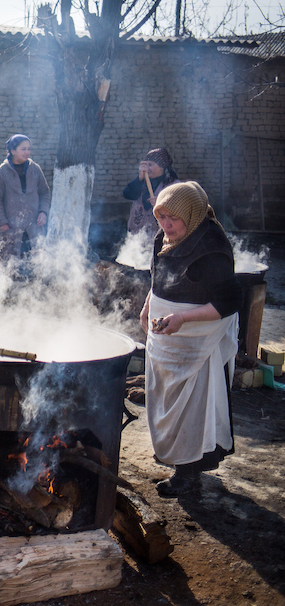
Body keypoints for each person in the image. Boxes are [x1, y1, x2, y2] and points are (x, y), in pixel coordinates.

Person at [139, 181, 242, 497]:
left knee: (193, 406)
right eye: (161, 217)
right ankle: (179, 461)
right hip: (165, 333)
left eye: (173, 218)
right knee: (166, 397)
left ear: (193, 215)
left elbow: (227, 302)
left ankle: (188, 475)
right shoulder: (165, 237)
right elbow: (158, 278)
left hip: (197, 337)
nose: (166, 225)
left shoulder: (212, 248)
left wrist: (183, 319)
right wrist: (147, 306)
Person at [0, 134, 51, 259]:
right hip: (11, 226)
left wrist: (43, 212)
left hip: (34, 225)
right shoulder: (1, 173)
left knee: (38, 261)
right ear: (12, 151)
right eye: (23, 149)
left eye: (29, 149)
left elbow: (45, 192)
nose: (27, 152)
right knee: (10, 264)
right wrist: (3, 224)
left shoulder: (35, 169)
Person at [123, 147, 180, 235]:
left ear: (162, 166)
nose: (147, 168)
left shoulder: (173, 185)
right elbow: (127, 194)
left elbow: (179, 209)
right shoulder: (141, 182)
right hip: (136, 237)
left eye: (150, 165)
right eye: (146, 164)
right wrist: (140, 178)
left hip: (160, 236)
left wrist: (162, 204)